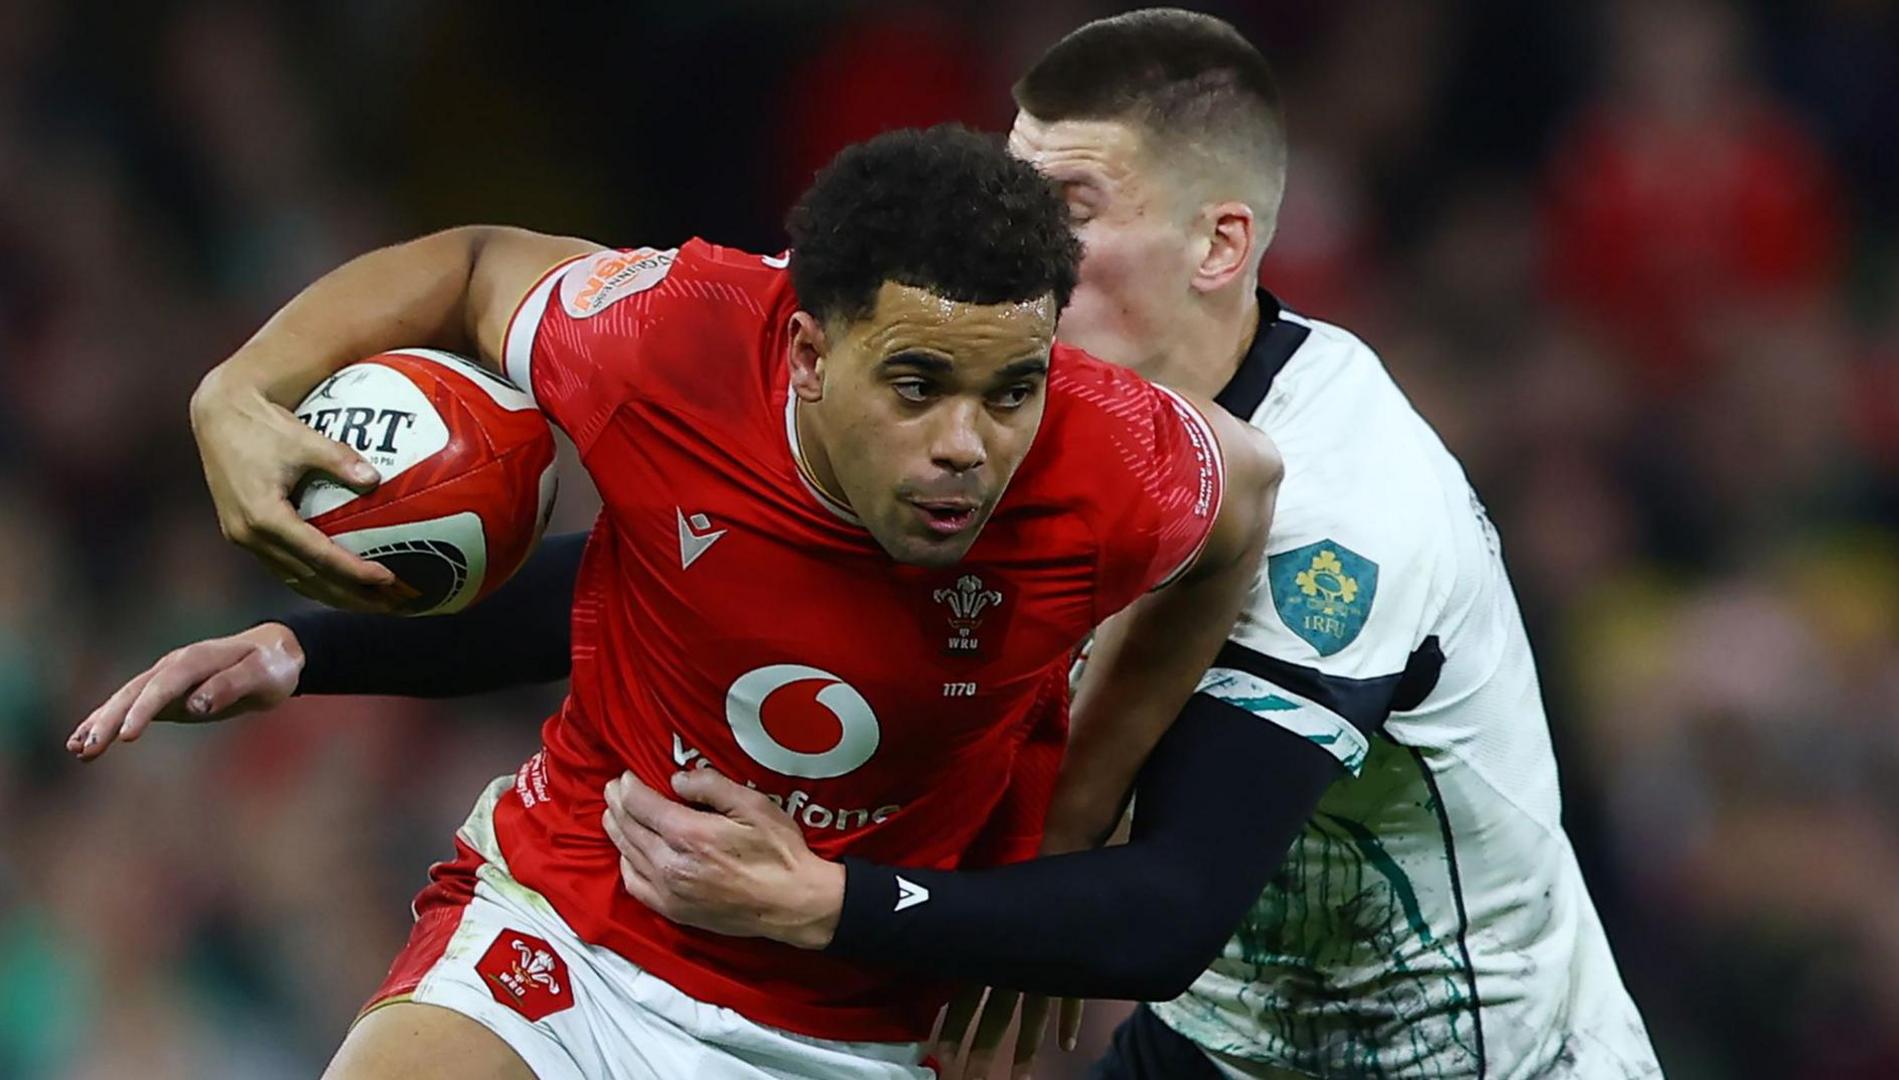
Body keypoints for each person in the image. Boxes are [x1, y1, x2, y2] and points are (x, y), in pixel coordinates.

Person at [79, 9, 1665, 1080]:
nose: (1017, 237)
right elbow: (695, 552)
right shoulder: (829, 329)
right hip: (1160, 1034)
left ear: (1220, 242)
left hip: (1459, 1054)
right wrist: (304, 602)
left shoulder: (1316, 504)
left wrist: (952, 870)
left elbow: (1173, 899)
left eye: (1068, 202)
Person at [73, 122, 1284, 1080]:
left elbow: (1242, 507)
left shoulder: (1120, 464)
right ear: (809, 354)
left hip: (856, 1026)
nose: (967, 443)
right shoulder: (674, 340)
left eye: (1012, 389)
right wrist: (236, 391)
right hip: (569, 924)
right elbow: (477, 264)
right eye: (915, 384)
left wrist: (1068, 825)